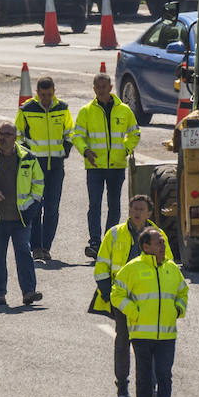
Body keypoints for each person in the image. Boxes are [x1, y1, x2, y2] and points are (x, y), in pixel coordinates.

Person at [90, 195, 172, 397]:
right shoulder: (115, 234)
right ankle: (123, 386)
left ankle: (150, 387)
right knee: (123, 342)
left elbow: (168, 266)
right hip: (123, 299)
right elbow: (101, 268)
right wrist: (109, 295)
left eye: (141, 209)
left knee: (150, 344)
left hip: (150, 301)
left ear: (149, 213)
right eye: (133, 208)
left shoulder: (159, 236)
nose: (136, 212)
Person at [111, 227, 187, 397]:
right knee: (145, 377)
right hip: (141, 333)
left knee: (164, 376)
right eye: (159, 242)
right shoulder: (131, 268)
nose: (163, 246)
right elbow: (116, 293)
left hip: (167, 334)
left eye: (163, 242)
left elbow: (183, 290)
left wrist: (178, 309)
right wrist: (133, 312)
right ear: (146, 247)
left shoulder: (171, 268)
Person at [0, 123, 45, 307]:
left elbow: (39, 184)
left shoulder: (28, 158)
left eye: (7, 134)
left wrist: (32, 209)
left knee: (23, 254)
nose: (2, 137)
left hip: (21, 218)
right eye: (0, 133)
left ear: (15, 138)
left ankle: (28, 292)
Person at [71, 72, 140, 259]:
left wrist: (124, 150)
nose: (101, 90)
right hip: (95, 167)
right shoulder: (86, 111)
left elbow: (135, 134)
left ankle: (110, 241)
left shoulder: (124, 110)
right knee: (94, 205)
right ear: (94, 89)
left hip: (116, 166)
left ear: (110, 87)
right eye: (97, 87)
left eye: (104, 87)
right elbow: (77, 136)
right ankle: (94, 242)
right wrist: (85, 151)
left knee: (114, 205)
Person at [15, 76, 73, 263]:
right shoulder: (26, 109)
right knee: (35, 208)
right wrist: (26, 157)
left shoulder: (62, 108)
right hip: (34, 167)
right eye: (42, 95)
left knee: (52, 208)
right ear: (37, 93)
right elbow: (18, 135)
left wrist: (65, 150)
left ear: (54, 91)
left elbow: (70, 132)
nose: (46, 98)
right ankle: (36, 247)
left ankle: (46, 247)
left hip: (56, 166)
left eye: (49, 94)